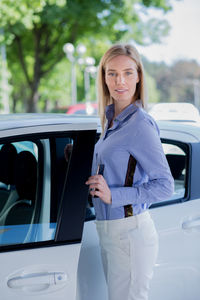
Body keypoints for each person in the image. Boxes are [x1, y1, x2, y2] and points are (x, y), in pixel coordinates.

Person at [85, 44, 174, 300]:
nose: (119, 81)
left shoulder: (140, 124)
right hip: (108, 230)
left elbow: (165, 185)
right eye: (111, 73)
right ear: (103, 77)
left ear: (138, 77)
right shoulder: (110, 119)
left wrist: (113, 195)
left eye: (127, 72)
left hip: (129, 233)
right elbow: (115, 166)